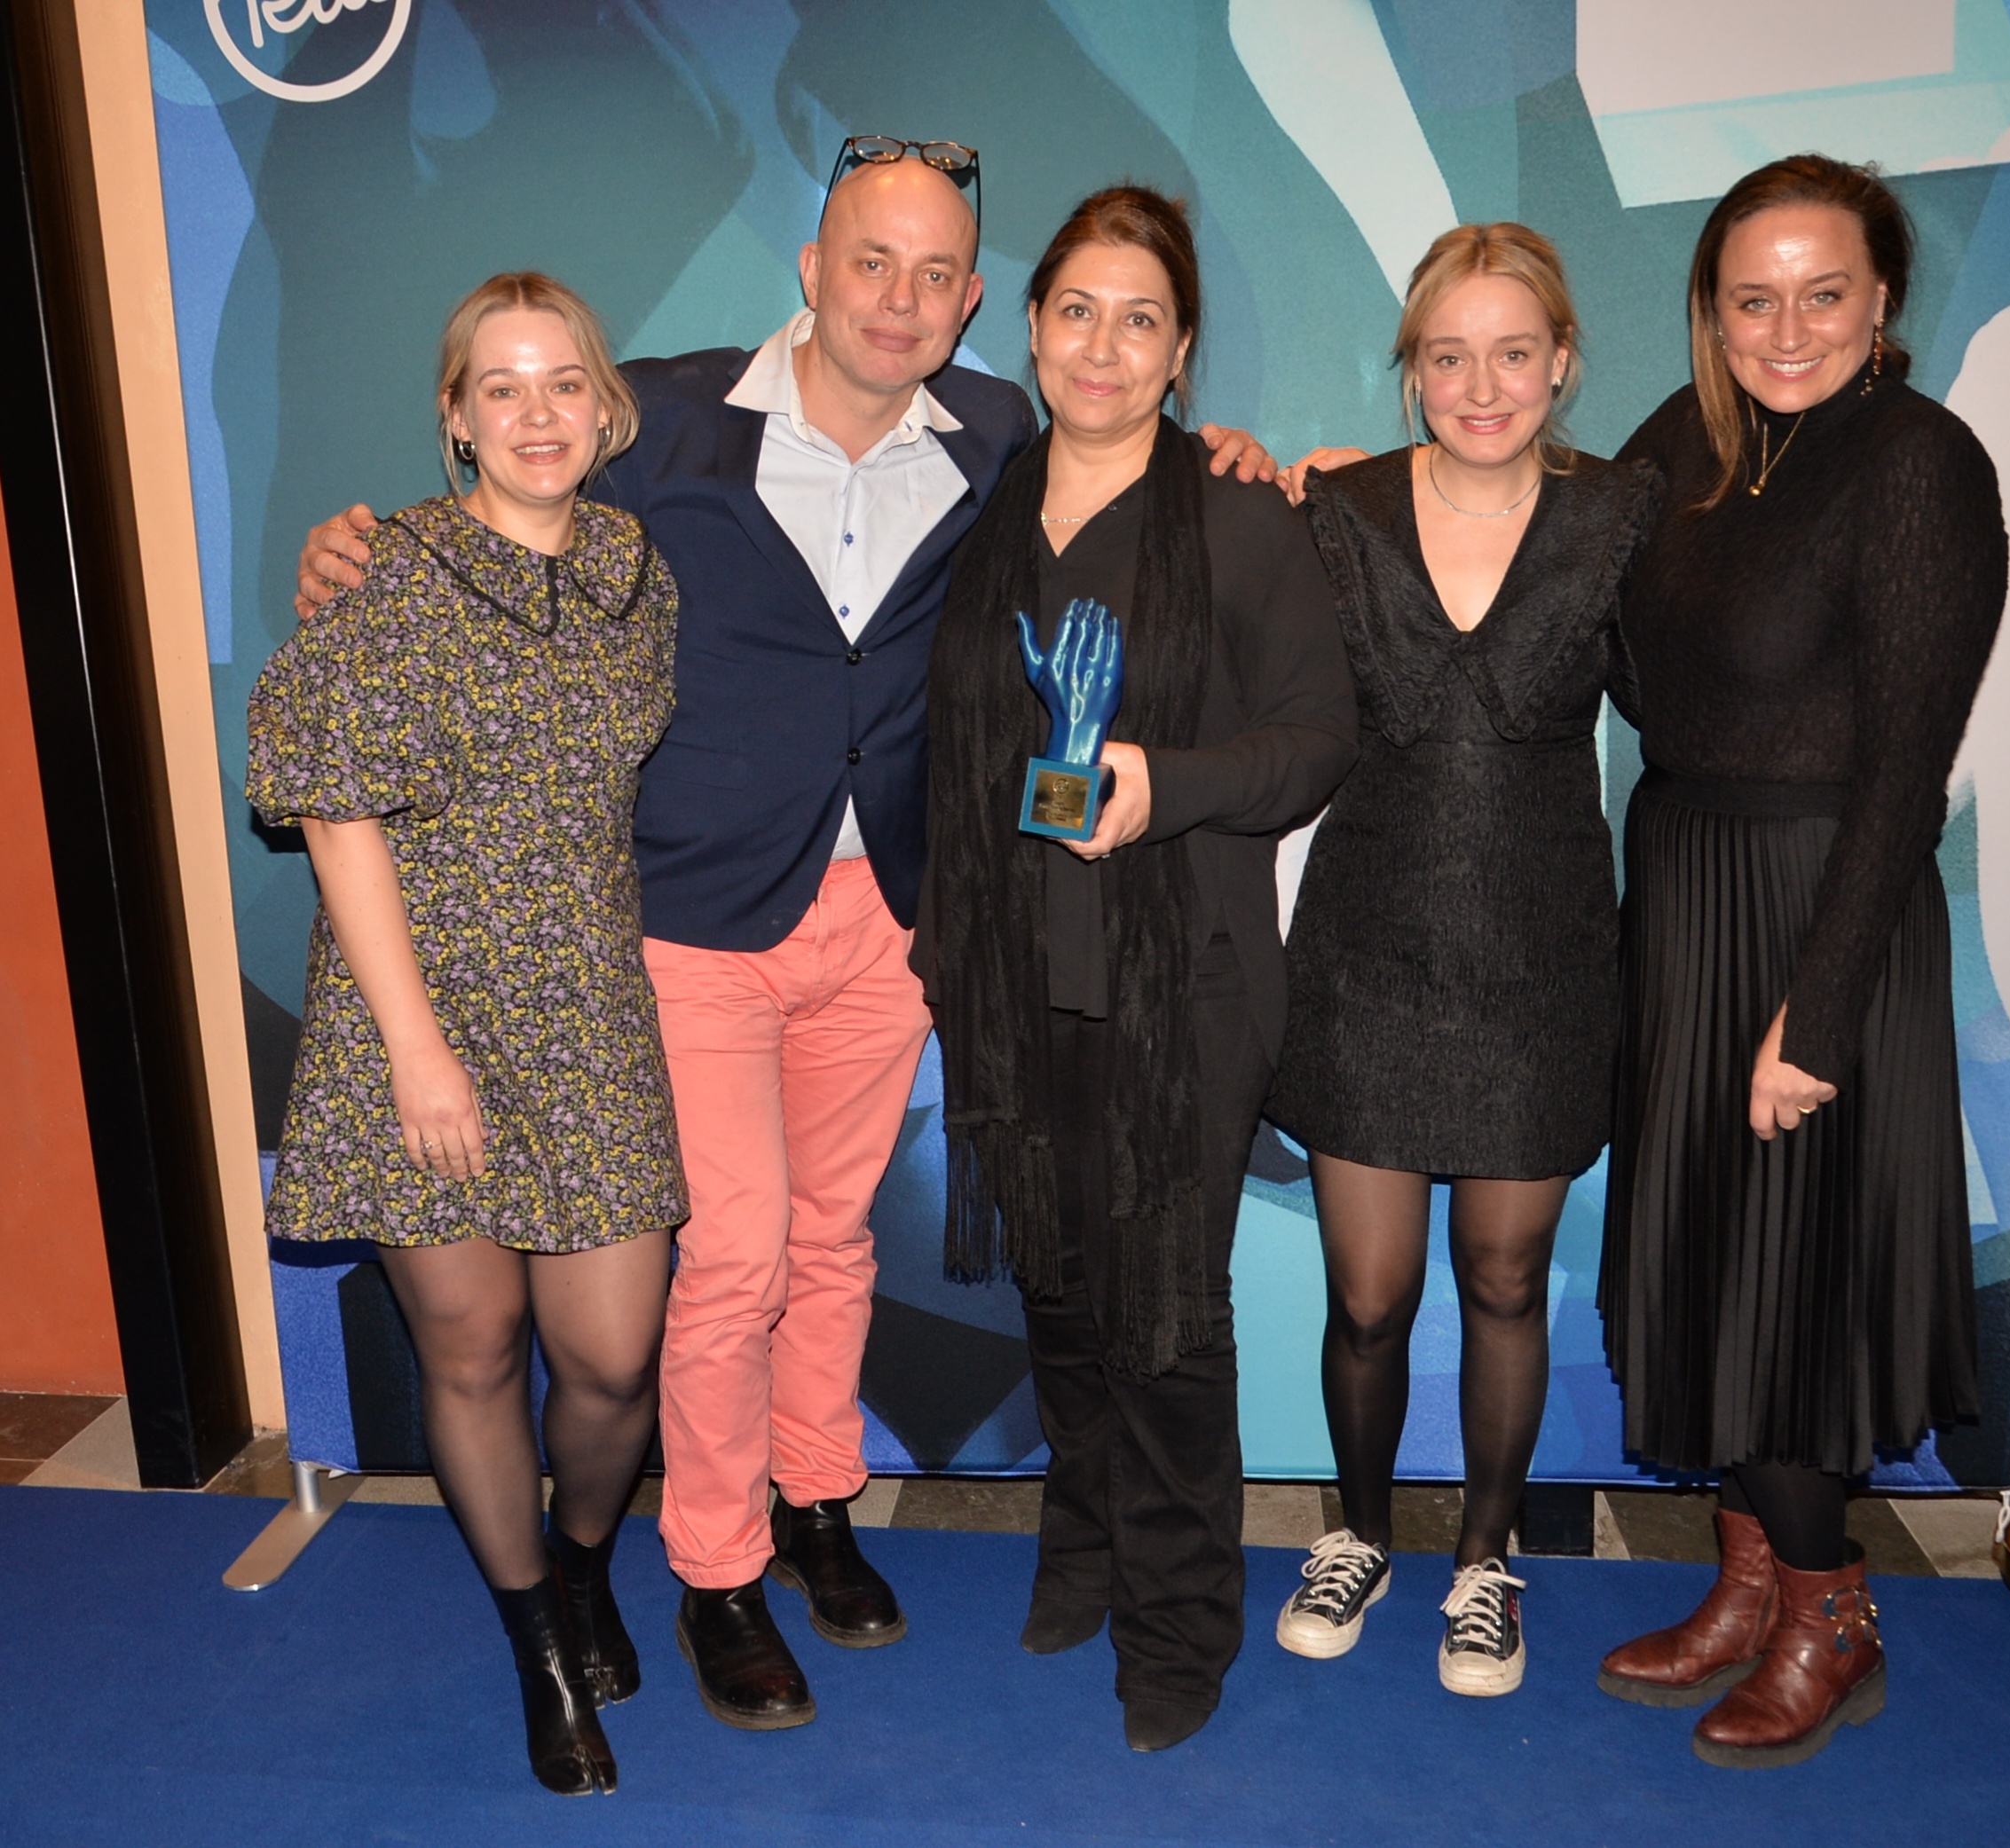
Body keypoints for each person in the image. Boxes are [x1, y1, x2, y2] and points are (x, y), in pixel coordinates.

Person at [294, 141, 1274, 1734]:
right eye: (868, 262)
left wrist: (1236, 452)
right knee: (731, 1255)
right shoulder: (662, 420)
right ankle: (718, 1569)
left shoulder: (1005, 435)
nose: (898, 299)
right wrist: (358, 548)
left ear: (972, 301)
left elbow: (1137, 457)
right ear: (811, 270)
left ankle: (817, 1499)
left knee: (832, 1239)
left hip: (888, 915)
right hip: (696, 916)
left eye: (934, 274)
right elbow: (505, 503)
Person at [918, 185, 1359, 1753]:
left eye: (1141, 320)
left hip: (1187, 979)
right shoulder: (976, 500)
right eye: (1077, 312)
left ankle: (1180, 1619)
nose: (1103, 348)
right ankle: (1085, 1544)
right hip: (1007, 967)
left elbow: (1316, 741)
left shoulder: (1238, 518)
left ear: (1181, 354)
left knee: (1162, 1306)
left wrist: (1166, 782)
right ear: (1029, 329)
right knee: (1055, 1280)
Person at [1593, 154, 2005, 1767]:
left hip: (1823, 913)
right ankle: (1750, 1583)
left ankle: (1829, 1612)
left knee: (1789, 1285)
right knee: (1712, 1264)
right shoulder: (1683, 440)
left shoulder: (1917, 463)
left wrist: (1813, 1016)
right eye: (1749, 299)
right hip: (1687, 895)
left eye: (1820, 294)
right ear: (1709, 307)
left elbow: (1907, 773)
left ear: (1879, 297)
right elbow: (1551, 547)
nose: (1783, 331)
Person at [248, 273, 682, 1797]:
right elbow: (332, 806)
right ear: (455, 417)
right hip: (416, 1014)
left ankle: (581, 1564)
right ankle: (537, 1647)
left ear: (606, 408)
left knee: (612, 1361)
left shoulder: (636, 569)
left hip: (587, 1007)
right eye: (501, 387)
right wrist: (418, 1052)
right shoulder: (392, 570)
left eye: (563, 382)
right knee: (476, 1346)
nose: (535, 413)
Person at [1264, 225, 1659, 1695]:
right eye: (1448, 356)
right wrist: (1228, 458)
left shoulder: (1624, 514)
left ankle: (1484, 1565)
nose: (1480, 386)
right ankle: (1358, 1535)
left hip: (1541, 961)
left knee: (1504, 1278)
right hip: (1365, 957)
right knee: (1367, 1295)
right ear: (1410, 370)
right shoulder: (1336, 509)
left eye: (1511, 353)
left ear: (1561, 362)